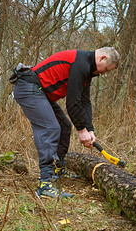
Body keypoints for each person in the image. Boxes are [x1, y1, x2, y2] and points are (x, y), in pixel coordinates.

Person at [10, 47, 120, 198]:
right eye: (106, 69)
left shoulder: (87, 70)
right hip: (28, 86)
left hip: (40, 92)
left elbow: (85, 102)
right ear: (102, 58)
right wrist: (81, 131)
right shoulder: (80, 63)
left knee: (64, 126)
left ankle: (57, 168)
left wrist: (90, 129)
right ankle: (45, 185)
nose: (104, 73)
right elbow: (73, 102)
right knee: (51, 127)